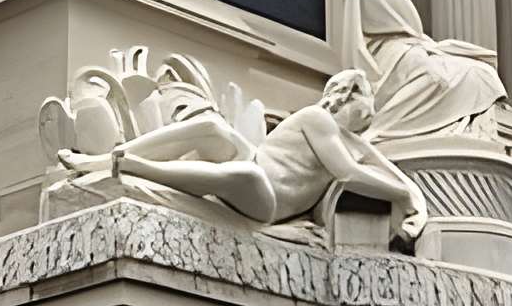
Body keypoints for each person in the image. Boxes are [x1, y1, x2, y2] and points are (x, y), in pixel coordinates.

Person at [58, 68, 426, 241]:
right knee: (215, 129)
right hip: (253, 165)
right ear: (345, 97)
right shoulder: (318, 119)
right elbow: (348, 170)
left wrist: (408, 194)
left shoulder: (346, 141)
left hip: (264, 198)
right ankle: (109, 158)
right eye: (364, 109)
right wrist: (402, 193)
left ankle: (139, 168)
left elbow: (371, 166)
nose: (364, 122)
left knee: (246, 174)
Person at [340, 0, 505, 143]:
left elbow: (409, 31)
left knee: (480, 72)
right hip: (386, 55)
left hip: (409, 48)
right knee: (434, 75)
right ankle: (380, 130)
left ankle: (459, 131)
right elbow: (379, 30)